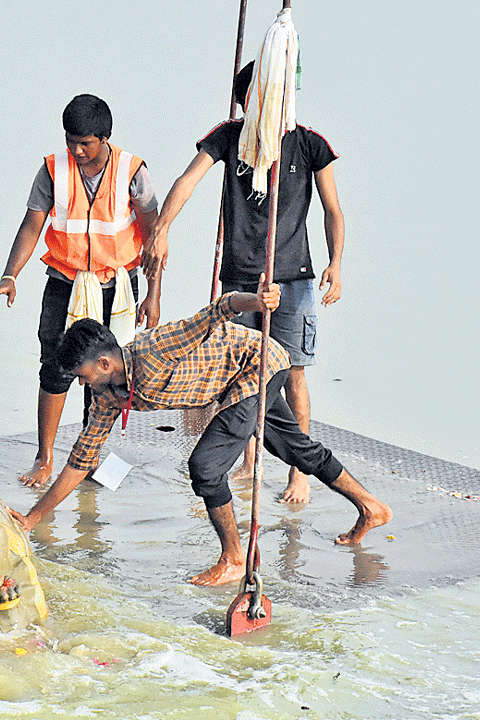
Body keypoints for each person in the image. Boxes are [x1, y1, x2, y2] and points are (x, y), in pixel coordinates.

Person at [7, 280, 391, 586]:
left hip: (257, 366)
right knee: (297, 451)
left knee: (205, 467)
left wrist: (256, 301)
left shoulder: (155, 350)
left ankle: (234, 558)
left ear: (105, 362)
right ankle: (372, 507)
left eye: (83, 375)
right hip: (232, 384)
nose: (81, 384)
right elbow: (81, 460)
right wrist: (33, 518)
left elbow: (219, 310)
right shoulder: (107, 394)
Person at [145, 61, 344, 504]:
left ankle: (299, 472)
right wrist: (161, 230)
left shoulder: (310, 144)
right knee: (238, 371)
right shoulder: (229, 136)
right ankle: (248, 457)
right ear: (246, 101)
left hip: (293, 278)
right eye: (259, 97)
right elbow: (187, 180)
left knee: (292, 373)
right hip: (240, 280)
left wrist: (336, 262)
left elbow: (333, 209)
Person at [0, 94, 161, 488]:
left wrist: (154, 294)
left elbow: (154, 235)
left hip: (118, 287)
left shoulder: (133, 171)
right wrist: (10, 275)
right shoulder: (52, 171)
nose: (76, 150)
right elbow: (31, 225)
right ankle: (45, 459)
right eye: (70, 140)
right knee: (56, 368)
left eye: (85, 143)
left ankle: (89, 457)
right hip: (65, 281)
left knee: (106, 374)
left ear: (105, 138)